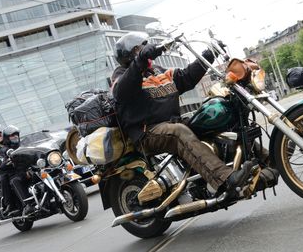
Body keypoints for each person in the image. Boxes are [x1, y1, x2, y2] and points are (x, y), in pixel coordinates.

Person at [111, 32, 273, 200]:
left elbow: (186, 77)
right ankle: (226, 178)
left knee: (215, 118)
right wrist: (140, 62)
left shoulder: (158, 72)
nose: (146, 50)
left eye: (145, 47)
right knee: (179, 131)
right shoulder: (122, 75)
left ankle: (270, 159)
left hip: (173, 123)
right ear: (130, 54)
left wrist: (209, 54)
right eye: (140, 48)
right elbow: (121, 91)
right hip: (147, 132)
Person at [0, 125, 35, 218]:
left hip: (28, 170)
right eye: (12, 135)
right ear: (6, 138)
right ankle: (27, 205)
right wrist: (7, 162)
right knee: (15, 181)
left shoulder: (23, 145)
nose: (15, 137)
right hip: (15, 174)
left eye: (16, 135)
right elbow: (1, 165)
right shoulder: (4, 150)